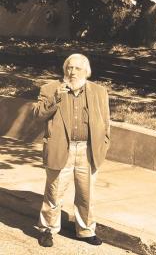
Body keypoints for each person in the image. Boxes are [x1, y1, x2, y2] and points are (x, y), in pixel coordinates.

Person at [33, 53, 110, 247]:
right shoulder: (50, 89)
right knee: (54, 193)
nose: (72, 72)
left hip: (87, 150)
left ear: (87, 72)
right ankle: (47, 230)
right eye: (69, 67)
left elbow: (106, 123)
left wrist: (103, 144)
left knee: (87, 194)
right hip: (61, 149)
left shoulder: (99, 92)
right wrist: (56, 98)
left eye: (77, 68)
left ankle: (85, 230)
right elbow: (38, 114)